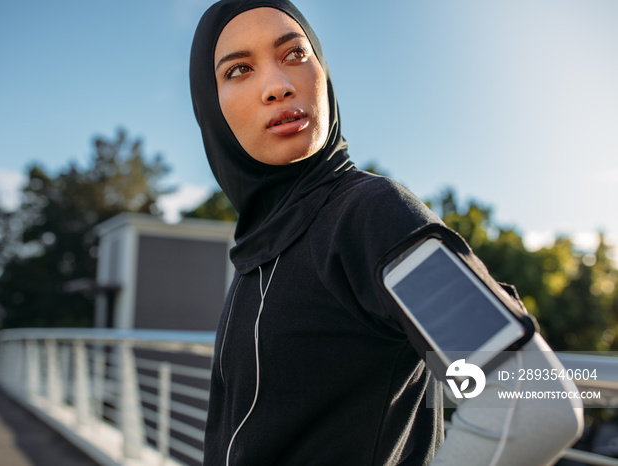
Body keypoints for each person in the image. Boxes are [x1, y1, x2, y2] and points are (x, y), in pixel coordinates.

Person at [189, 1, 583, 464]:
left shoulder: (370, 217)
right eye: (239, 70)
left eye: (295, 55)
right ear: (209, 107)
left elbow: (527, 401)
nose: (278, 85)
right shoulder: (256, 251)